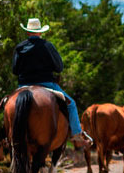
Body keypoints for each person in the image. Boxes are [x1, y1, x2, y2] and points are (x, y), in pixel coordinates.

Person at [12, 18, 92, 148]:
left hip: (24, 86)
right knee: (71, 104)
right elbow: (59, 68)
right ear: (40, 32)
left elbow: (15, 70)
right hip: (46, 84)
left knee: (6, 104)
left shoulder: (19, 47)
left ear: (27, 32)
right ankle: (77, 136)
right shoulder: (48, 46)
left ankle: (5, 137)